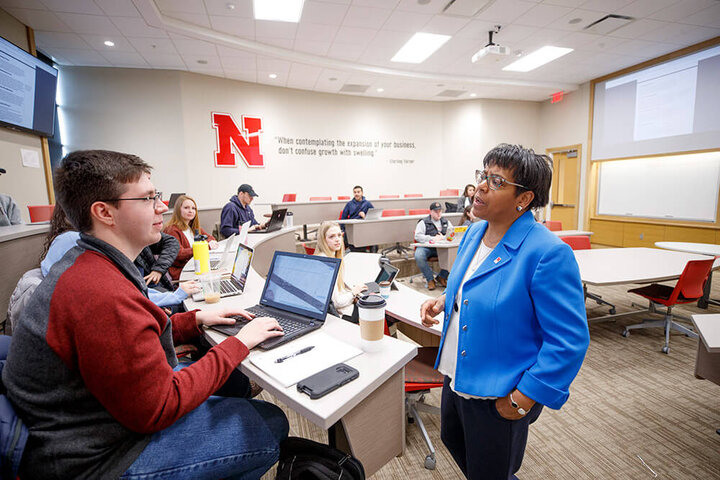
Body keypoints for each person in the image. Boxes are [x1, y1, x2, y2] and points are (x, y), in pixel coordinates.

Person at [2, 150, 288, 479]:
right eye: (148, 198)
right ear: (104, 212)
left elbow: (132, 335)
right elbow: (160, 407)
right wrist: (240, 343)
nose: (162, 207)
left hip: (91, 424)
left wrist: (194, 320)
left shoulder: (90, 263)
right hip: (98, 458)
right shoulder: (100, 293)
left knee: (233, 382)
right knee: (270, 423)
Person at [420, 144, 589, 480]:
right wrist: (444, 299)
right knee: (455, 443)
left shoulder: (547, 253)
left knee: (491, 472)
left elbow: (569, 341)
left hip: (499, 392)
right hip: (457, 376)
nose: (481, 187)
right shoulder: (474, 233)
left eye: (496, 182)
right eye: (484, 176)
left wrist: (523, 398)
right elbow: (469, 281)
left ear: (523, 200)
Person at [314, 221, 367, 318]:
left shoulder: (330, 257)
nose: (337, 239)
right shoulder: (328, 264)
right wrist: (353, 293)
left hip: (343, 308)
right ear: (323, 240)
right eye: (331, 237)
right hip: (343, 314)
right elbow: (337, 302)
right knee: (379, 310)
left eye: (339, 235)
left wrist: (353, 294)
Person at [164, 194, 220, 280]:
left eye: (193, 208)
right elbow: (179, 254)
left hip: (195, 266)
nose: (190, 211)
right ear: (178, 210)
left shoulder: (192, 227)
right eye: (186, 208)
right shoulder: (172, 229)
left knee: (219, 274)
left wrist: (209, 243)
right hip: (182, 272)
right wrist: (206, 247)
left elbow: (210, 238)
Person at [414, 201, 453, 291]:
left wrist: (442, 238)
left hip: (442, 248)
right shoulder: (423, 222)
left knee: (455, 254)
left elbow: (452, 234)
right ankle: (430, 279)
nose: (438, 213)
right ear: (430, 212)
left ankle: (442, 277)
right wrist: (432, 239)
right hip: (427, 248)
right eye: (436, 211)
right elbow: (418, 236)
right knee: (418, 255)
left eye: (440, 211)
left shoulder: (446, 222)